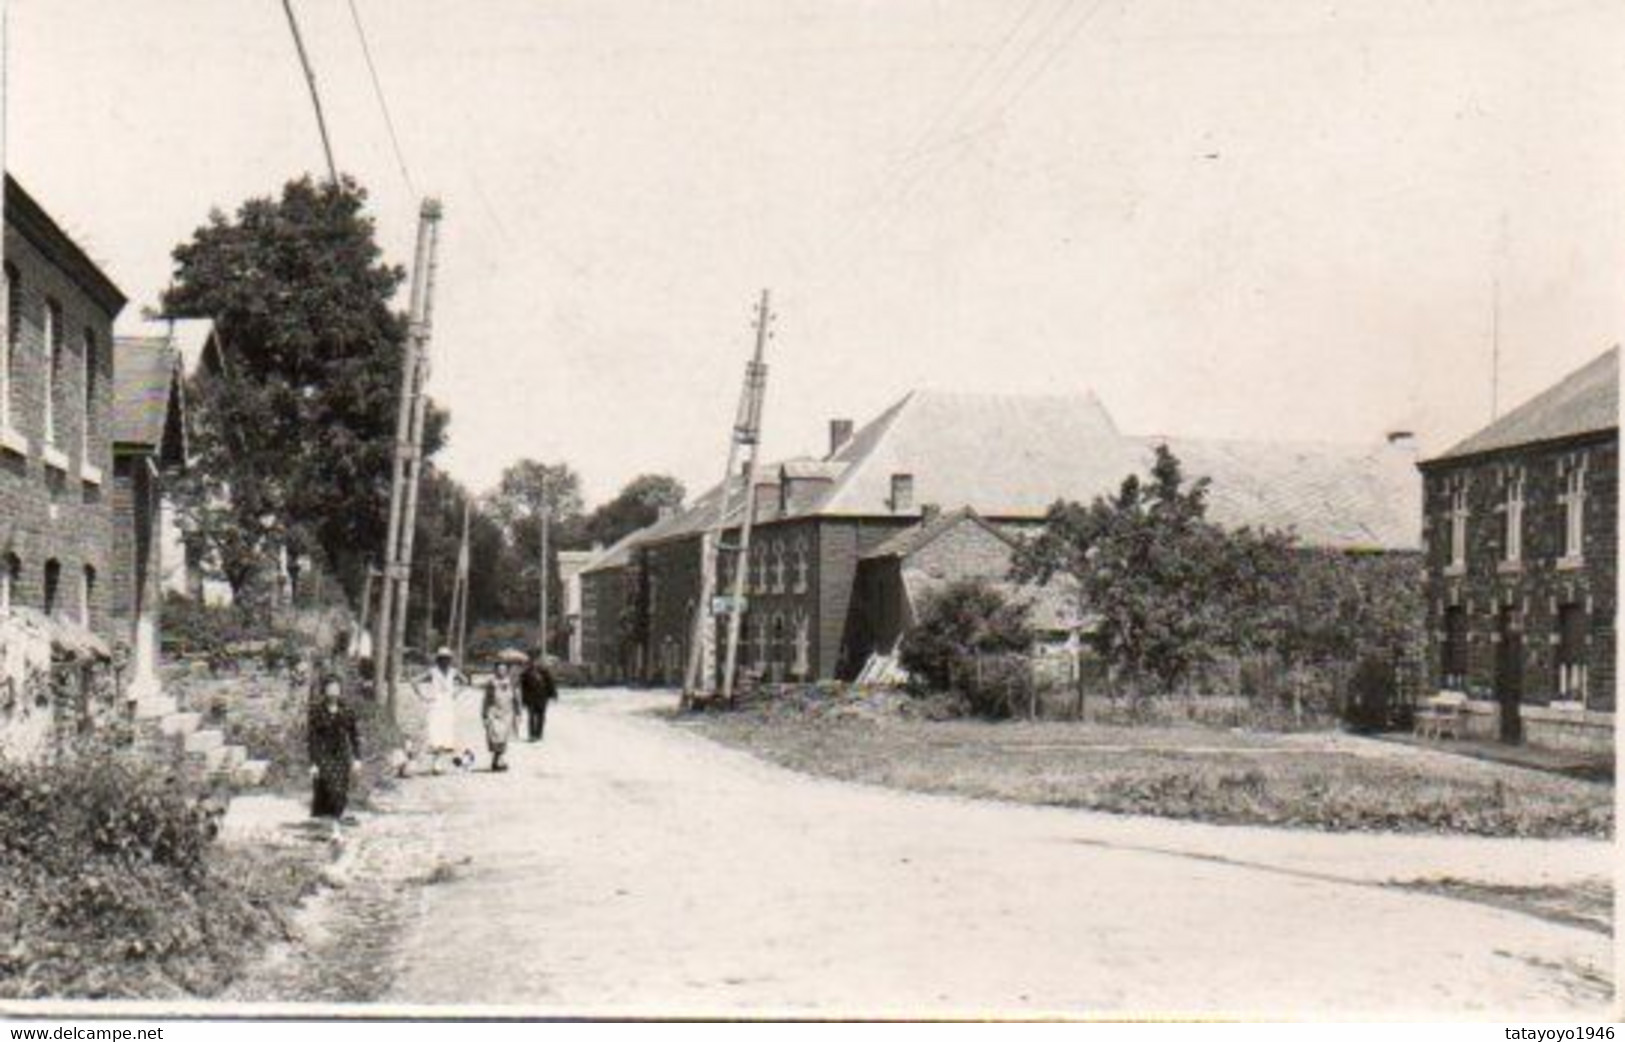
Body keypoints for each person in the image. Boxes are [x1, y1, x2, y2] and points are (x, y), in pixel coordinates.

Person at [307, 673, 362, 835]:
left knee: (340, 790)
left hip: (342, 755)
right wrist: (313, 763)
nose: (334, 691)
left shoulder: (347, 710)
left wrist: (357, 758)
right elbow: (312, 738)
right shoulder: (317, 710)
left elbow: (354, 735)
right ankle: (334, 826)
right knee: (330, 789)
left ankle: (335, 825)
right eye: (330, 688)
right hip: (324, 755)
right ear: (324, 690)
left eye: (336, 688)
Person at [413, 647, 465, 775]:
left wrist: (456, 693)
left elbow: (465, 681)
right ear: (438, 659)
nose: (445, 661)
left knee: (445, 733)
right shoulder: (433, 671)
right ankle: (436, 764)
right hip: (435, 705)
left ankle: (438, 763)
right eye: (442, 658)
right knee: (435, 733)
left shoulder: (453, 671)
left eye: (447, 658)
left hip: (448, 705)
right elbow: (414, 681)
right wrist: (423, 696)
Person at [481, 658, 522, 772]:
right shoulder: (491, 682)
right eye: (499, 669)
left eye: (503, 669)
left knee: (503, 738)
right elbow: (486, 699)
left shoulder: (512, 682)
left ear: (507, 671)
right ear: (495, 670)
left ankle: (496, 761)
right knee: (494, 737)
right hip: (493, 712)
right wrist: (484, 714)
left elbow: (517, 698)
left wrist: (518, 713)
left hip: (507, 713)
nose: (501, 671)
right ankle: (499, 760)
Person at [519, 654, 559, 742]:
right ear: (529, 663)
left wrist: (554, 695)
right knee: (531, 717)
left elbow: (550, 684)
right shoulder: (525, 674)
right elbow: (523, 689)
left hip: (542, 698)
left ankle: (539, 734)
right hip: (531, 699)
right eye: (532, 662)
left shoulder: (544, 671)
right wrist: (523, 701)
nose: (534, 663)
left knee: (541, 717)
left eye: (536, 661)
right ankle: (532, 735)